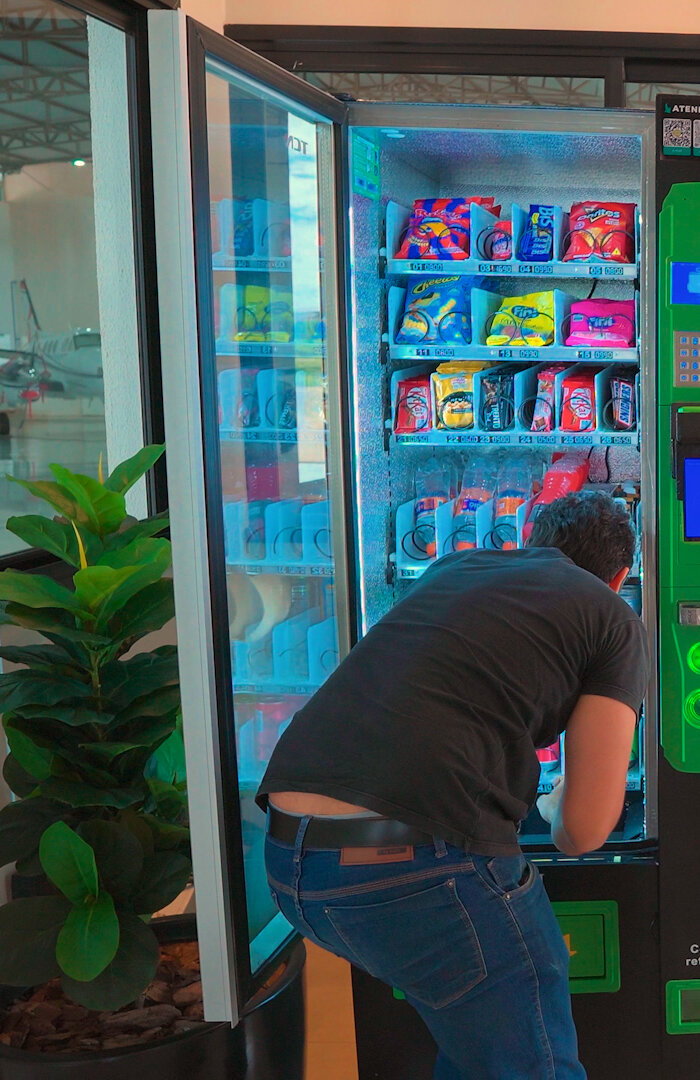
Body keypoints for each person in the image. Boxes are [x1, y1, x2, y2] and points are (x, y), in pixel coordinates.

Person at [256, 491, 649, 1080]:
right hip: (415, 865)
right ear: (619, 577)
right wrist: (554, 801)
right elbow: (584, 831)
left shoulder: (455, 568)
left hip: (291, 865)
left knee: (480, 1049)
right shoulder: (611, 615)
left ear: (531, 543)